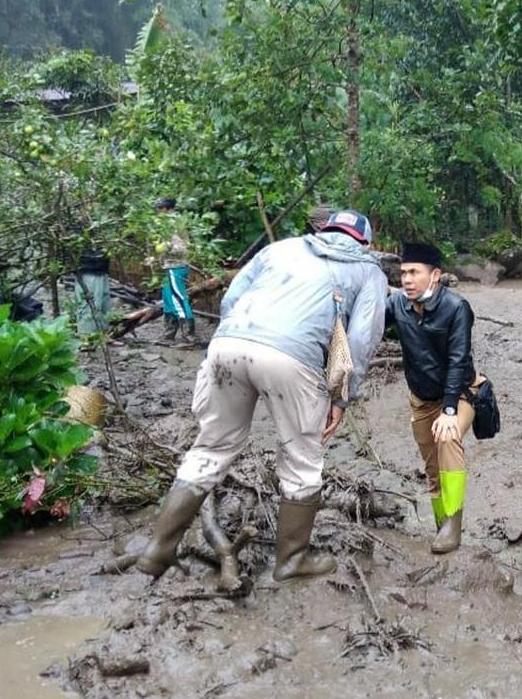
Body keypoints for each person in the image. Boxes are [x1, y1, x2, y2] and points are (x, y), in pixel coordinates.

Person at [134, 209, 387, 582]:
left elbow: (232, 299)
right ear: (365, 242)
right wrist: (341, 397)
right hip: (291, 357)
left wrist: (237, 337)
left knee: (211, 447)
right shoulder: (369, 272)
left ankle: (158, 550)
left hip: (228, 344)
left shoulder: (280, 249)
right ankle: (291, 559)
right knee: (302, 459)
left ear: (324, 229)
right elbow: (361, 340)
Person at [386, 242, 481, 554]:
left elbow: (458, 359)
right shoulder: (398, 304)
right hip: (422, 399)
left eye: (414, 272)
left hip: (461, 392)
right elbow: (370, 321)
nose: (407, 279)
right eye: (403, 273)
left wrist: (450, 409)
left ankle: (453, 524)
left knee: (447, 438)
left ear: (435, 275)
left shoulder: (456, 308)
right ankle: (441, 524)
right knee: (431, 466)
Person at [155, 197, 195, 346]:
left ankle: (188, 337)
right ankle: (169, 335)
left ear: (168, 209)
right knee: (168, 301)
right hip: (168, 266)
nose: (159, 212)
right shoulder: (164, 225)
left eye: (161, 209)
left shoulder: (176, 224)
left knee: (179, 300)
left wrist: (167, 248)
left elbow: (183, 248)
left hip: (176, 266)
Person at [75, 247, 110, 337]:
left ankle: (104, 335)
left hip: (102, 267)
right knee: (88, 304)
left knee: (103, 303)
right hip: (87, 270)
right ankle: (86, 337)